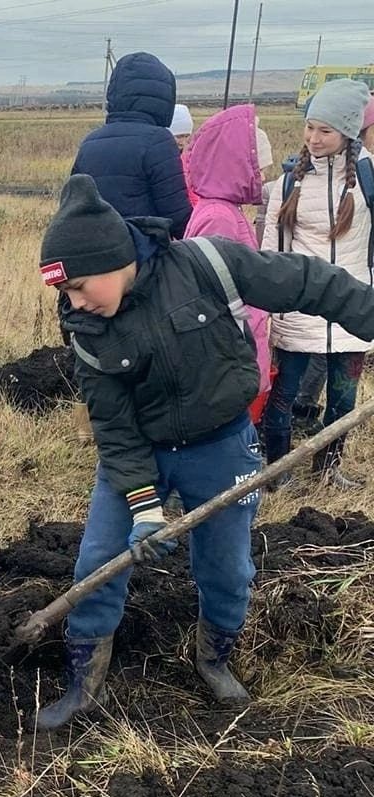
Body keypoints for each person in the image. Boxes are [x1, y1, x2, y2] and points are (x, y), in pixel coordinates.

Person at [34, 173, 374, 731]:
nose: (74, 303)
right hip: (140, 454)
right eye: (63, 293)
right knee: (97, 560)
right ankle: (84, 681)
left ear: (114, 260)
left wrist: (367, 314)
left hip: (222, 447)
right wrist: (144, 507)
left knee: (226, 568)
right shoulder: (87, 329)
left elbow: (306, 281)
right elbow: (115, 429)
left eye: (79, 287)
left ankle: (213, 659)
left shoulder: (207, 264)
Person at [260, 79, 374, 490]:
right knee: (285, 396)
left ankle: (329, 470)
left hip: (353, 312)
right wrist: (272, 308)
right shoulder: (289, 183)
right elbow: (270, 252)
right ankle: (277, 473)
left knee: (343, 399)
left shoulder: (368, 178)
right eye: (310, 127)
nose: (314, 138)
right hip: (299, 310)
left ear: (347, 132)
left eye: (325, 130)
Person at [183, 105, 274, 422]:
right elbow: (211, 293)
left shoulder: (224, 211)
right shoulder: (219, 218)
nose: (262, 178)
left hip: (240, 347)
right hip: (233, 351)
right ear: (236, 168)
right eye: (258, 169)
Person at [72, 52, 192, 238]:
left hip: (94, 253)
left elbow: (73, 205)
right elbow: (177, 217)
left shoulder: (89, 143)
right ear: (165, 97)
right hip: (143, 256)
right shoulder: (159, 140)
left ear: (114, 93)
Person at [169, 103, 199, 207]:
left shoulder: (190, 159)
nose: (183, 142)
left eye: (187, 136)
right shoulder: (164, 161)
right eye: (179, 136)